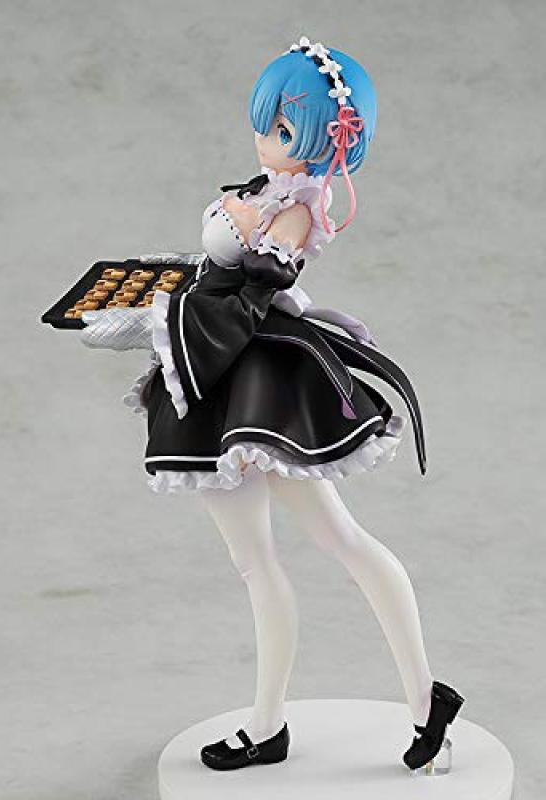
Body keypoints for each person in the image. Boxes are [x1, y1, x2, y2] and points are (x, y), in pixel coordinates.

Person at [80, 36, 464, 773]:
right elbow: (228, 273)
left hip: (250, 387)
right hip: (235, 377)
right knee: (275, 556)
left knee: (317, 547)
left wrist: (163, 315)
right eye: (266, 122)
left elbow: (250, 296)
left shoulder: (295, 212)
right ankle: (291, 721)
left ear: (327, 142)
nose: (265, 138)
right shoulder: (269, 190)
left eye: (283, 129)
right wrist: (176, 283)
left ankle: (409, 702)